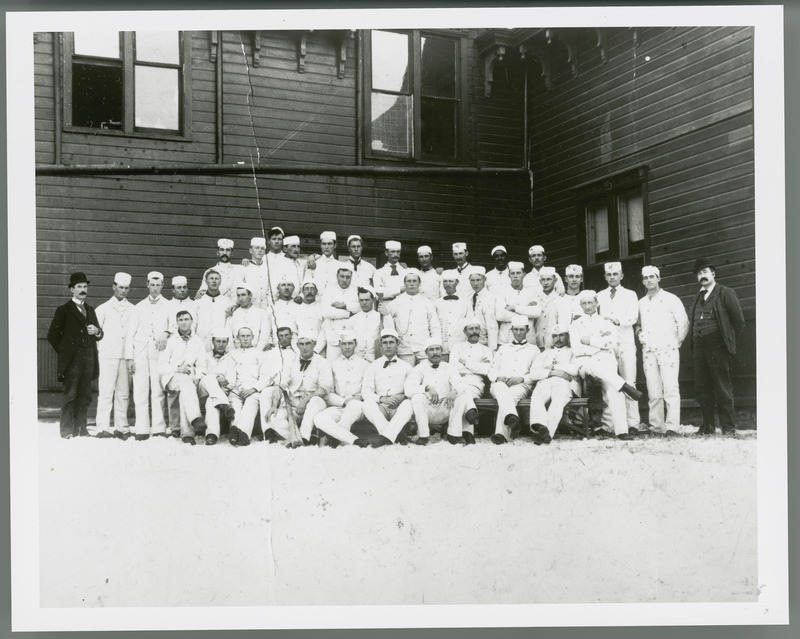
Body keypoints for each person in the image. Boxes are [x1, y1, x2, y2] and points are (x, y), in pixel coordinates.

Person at [569, 290, 643, 440]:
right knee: (610, 377)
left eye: (591, 302)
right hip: (585, 363)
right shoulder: (575, 325)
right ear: (580, 305)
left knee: (613, 389)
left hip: (605, 360)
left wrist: (590, 341)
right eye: (584, 303)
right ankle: (625, 385)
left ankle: (622, 431)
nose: (588, 306)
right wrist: (600, 345)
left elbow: (612, 343)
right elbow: (577, 349)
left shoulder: (606, 322)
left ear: (597, 303)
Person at [688, 257, 745, 436]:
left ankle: (728, 428)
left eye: (705, 272)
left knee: (722, 387)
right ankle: (708, 426)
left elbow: (739, 323)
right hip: (699, 346)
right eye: (699, 273)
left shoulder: (725, 292)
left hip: (717, 346)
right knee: (702, 388)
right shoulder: (698, 296)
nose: (702, 276)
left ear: (713, 273)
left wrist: (725, 342)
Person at [47, 272, 104, 439]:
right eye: (79, 287)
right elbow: (52, 335)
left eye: (85, 287)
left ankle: (81, 429)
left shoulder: (91, 310)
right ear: (72, 289)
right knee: (70, 395)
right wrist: (67, 353)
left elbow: (99, 334)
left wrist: (98, 331)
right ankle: (66, 431)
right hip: (72, 361)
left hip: (88, 360)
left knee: (85, 396)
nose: (83, 290)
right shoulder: (63, 310)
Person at [636, 265, 689, 436]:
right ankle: (656, 426)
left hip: (668, 349)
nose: (649, 280)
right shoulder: (641, 303)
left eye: (652, 277)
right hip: (649, 351)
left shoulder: (671, 298)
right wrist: (640, 334)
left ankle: (672, 426)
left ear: (658, 278)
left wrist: (676, 341)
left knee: (671, 388)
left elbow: (683, 323)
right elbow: (637, 324)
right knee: (653, 390)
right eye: (645, 278)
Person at [262, 330, 333, 447]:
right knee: (274, 418)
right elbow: (280, 382)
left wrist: (305, 401)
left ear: (314, 344)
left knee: (314, 402)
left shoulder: (323, 362)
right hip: (295, 404)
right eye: (302, 344)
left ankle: (304, 437)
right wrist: (274, 405)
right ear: (297, 345)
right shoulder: (291, 361)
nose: (304, 347)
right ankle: (296, 438)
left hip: (314, 402)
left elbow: (324, 388)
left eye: (308, 344)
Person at [597, 261, 642, 431]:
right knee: (609, 383)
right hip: (608, 344)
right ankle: (608, 424)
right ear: (605, 277)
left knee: (629, 382)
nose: (612, 277)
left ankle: (632, 424)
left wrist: (617, 320)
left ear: (621, 276)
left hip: (625, 342)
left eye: (615, 274)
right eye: (609, 275)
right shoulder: (600, 296)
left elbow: (633, 317)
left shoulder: (630, 294)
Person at [125, 271, 170, 439]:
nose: (155, 288)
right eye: (152, 285)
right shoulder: (138, 307)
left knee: (158, 390)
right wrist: (130, 357)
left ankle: (158, 428)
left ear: (163, 286)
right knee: (140, 391)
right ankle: (141, 429)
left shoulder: (169, 305)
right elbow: (130, 333)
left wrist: (165, 333)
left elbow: (173, 325)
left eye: (158, 285)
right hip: (140, 354)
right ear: (147, 285)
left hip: (159, 353)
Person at [405, 339, 475, 445]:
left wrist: (454, 391)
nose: (435, 352)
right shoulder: (419, 368)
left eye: (437, 349)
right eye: (431, 350)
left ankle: (454, 435)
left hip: (445, 407)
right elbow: (408, 389)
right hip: (426, 409)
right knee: (417, 397)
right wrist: (427, 388)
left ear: (441, 351)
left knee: (461, 395)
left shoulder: (449, 367)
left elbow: (461, 383)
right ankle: (423, 436)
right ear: (426, 353)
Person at [157, 310, 209, 444]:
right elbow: (161, 367)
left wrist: (198, 377)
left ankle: (185, 432)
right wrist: (177, 368)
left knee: (187, 387)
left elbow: (202, 365)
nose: (184, 322)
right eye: (180, 320)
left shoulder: (198, 341)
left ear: (192, 321)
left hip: (191, 379)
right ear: (177, 323)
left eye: (186, 319)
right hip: (171, 378)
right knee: (186, 382)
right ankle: (193, 423)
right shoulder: (170, 341)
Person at [313, 329, 371, 447]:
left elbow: (368, 390)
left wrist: (356, 398)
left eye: (350, 343)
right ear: (339, 345)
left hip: (358, 407)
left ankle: (335, 437)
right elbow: (328, 392)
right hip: (339, 405)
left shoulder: (365, 365)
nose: (347, 347)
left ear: (356, 344)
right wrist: (343, 401)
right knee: (319, 418)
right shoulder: (332, 364)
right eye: (344, 344)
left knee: (353, 405)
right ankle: (353, 440)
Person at [93, 272, 133, 439]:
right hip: (108, 355)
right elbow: (96, 334)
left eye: (126, 288)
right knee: (106, 392)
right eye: (120, 287)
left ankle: (121, 428)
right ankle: (102, 427)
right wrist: (103, 349)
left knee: (123, 392)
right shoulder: (102, 309)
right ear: (114, 287)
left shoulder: (133, 309)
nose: (123, 291)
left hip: (125, 355)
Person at [487, 316, 539, 444]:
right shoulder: (503, 349)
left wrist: (522, 378)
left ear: (527, 330)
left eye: (522, 330)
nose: (519, 333)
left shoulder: (534, 350)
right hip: (500, 383)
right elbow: (492, 369)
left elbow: (535, 373)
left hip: (521, 385)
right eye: (516, 330)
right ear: (512, 330)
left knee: (509, 395)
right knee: (502, 390)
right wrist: (498, 377)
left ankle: (501, 433)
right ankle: (511, 418)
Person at [526, 325, 581, 445]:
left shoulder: (573, 352)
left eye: (561, 335)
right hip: (545, 381)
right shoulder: (545, 353)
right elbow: (534, 373)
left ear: (567, 336)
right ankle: (540, 427)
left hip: (565, 383)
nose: (558, 339)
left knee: (557, 401)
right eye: (555, 336)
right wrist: (552, 372)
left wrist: (554, 367)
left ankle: (545, 433)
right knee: (537, 397)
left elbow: (575, 370)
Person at [362, 328, 415, 447]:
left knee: (409, 404)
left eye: (391, 342)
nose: (388, 346)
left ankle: (385, 437)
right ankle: (395, 435)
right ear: (380, 346)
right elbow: (365, 392)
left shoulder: (406, 367)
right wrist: (382, 399)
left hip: (398, 406)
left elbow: (413, 388)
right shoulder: (373, 366)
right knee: (366, 404)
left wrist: (402, 396)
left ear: (397, 344)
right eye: (385, 343)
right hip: (381, 407)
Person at [223, 327, 273, 447]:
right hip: (236, 390)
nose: (245, 339)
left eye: (248, 336)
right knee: (235, 407)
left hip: (253, 390)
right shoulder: (232, 354)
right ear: (238, 338)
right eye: (242, 336)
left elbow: (266, 377)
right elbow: (227, 372)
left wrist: (253, 389)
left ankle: (243, 433)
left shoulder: (260, 354)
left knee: (251, 405)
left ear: (252, 337)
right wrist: (233, 387)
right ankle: (236, 433)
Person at [379, 269, 441, 365]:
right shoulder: (396, 302)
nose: (412, 284)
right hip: (404, 350)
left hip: (423, 348)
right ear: (404, 283)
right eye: (409, 281)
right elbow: (388, 325)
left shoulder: (427, 303)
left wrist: (434, 345)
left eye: (414, 281)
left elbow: (434, 326)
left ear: (419, 283)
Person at [201, 329, 238, 445]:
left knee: (211, 402)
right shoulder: (204, 357)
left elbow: (231, 382)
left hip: (219, 394)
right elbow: (200, 375)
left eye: (223, 342)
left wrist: (220, 387)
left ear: (227, 343)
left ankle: (211, 435)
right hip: (203, 390)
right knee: (208, 378)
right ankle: (224, 405)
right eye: (218, 341)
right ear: (212, 341)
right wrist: (217, 377)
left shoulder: (230, 360)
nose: (221, 344)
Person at [494, 261, 541, 345]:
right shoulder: (502, 292)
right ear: (509, 275)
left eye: (518, 273)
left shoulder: (531, 292)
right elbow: (500, 315)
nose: (515, 276)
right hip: (506, 339)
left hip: (528, 339)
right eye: (512, 273)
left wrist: (514, 308)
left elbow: (537, 312)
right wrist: (526, 311)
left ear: (524, 274)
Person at [320, 266, 361, 361]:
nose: (344, 280)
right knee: (332, 367)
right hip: (334, 338)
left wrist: (344, 306)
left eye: (348, 277)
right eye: (342, 276)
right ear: (337, 276)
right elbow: (325, 312)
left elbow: (359, 307)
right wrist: (348, 314)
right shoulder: (329, 290)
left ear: (351, 277)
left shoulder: (356, 290)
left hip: (351, 337)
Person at [195, 270, 236, 347]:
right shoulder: (198, 301)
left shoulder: (227, 302)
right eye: (211, 278)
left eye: (216, 279)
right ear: (206, 282)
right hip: (201, 342)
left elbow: (230, 324)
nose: (214, 281)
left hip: (220, 343)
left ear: (220, 282)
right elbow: (193, 323)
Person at [434, 269, 469, 360]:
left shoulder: (465, 302)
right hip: (442, 345)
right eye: (445, 281)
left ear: (456, 282)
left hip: (460, 344)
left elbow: (469, 322)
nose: (448, 284)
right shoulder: (437, 303)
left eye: (450, 281)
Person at [227, 283, 273, 351]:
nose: (240, 298)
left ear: (250, 295)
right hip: (237, 353)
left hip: (257, 352)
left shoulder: (261, 313)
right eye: (238, 295)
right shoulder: (233, 314)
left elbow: (264, 334)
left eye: (243, 295)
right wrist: (234, 353)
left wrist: (257, 351)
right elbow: (229, 336)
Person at [532, 266, 570, 349]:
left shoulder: (561, 299)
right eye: (543, 280)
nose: (546, 283)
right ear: (540, 281)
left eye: (549, 279)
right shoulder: (535, 299)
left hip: (555, 343)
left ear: (555, 280)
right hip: (537, 342)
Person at [195, 238, 242, 302]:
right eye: (222, 250)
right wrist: (200, 293)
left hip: (237, 307)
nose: (224, 253)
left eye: (228, 250)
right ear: (217, 252)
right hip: (218, 306)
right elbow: (202, 291)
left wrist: (246, 261)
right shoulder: (210, 271)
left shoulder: (240, 269)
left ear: (232, 253)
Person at [347, 286, 384, 363]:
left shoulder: (380, 317)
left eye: (367, 300)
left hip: (375, 359)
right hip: (358, 360)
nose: (364, 303)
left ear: (373, 300)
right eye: (361, 300)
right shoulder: (352, 320)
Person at [468, 268, 499, 351]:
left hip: (484, 342)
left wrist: (492, 349)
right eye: (472, 280)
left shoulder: (489, 298)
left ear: (484, 280)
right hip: (471, 341)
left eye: (478, 280)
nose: (475, 283)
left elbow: (492, 326)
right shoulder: (469, 296)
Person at [295, 279, 327, 357]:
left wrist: (316, 350)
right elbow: (293, 333)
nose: (309, 291)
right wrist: (299, 351)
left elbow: (325, 331)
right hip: (300, 351)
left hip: (319, 350)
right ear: (302, 292)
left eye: (312, 289)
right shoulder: (296, 309)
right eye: (306, 289)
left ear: (316, 291)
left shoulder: (322, 308)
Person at [307, 231, 341, 299]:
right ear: (320, 245)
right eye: (324, 244)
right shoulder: (313, 263)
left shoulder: (340, 265)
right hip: (316, 302)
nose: (326, 247)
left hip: (333, 302)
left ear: (335, 245)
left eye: (329, 244)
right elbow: (307, 282)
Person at [241, 236, 272, 310]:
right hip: (250, 308)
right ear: (251, 250)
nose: (260, 250)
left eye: (262, 248)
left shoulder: (269, 267)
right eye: (257, 248)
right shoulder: (244, 268)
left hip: (266, 308)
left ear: (265, 251)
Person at [272, 235, 306, 301]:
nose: (296, 249)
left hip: (299, 302)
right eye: (293, 246)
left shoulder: (301, 263)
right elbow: (274, 288)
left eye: (298, 247)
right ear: (285, 249)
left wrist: (313, 256)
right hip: (283, 302)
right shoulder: (277, 264)